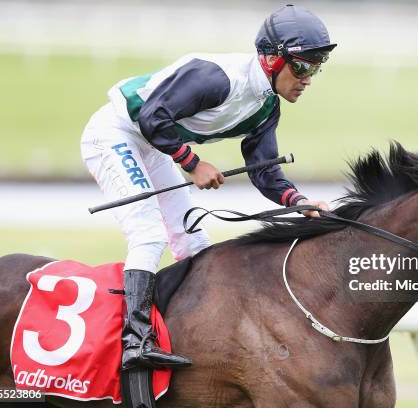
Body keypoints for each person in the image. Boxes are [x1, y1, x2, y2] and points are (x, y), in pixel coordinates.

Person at [80, 4, 336, 371]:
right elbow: (154, 116)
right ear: (271, 59)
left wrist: (298, 201)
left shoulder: (266, 108)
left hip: (152, 146)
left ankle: (202, 330)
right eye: (302, 65)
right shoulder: (216, 77)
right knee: (149, 234)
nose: (308, 77)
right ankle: (134, 343)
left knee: (193, 238)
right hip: (115, 135)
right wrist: (193, 163)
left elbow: (263, 171)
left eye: (316, 67)